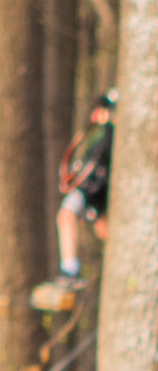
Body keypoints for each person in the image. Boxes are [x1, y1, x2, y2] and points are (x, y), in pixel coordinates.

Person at [33, 90, 117, 305]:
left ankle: (70, 271)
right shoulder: (95, 134)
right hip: (95, 190)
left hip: (93, 189)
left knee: (66, 215)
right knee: (100, 230)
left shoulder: (108, 133)